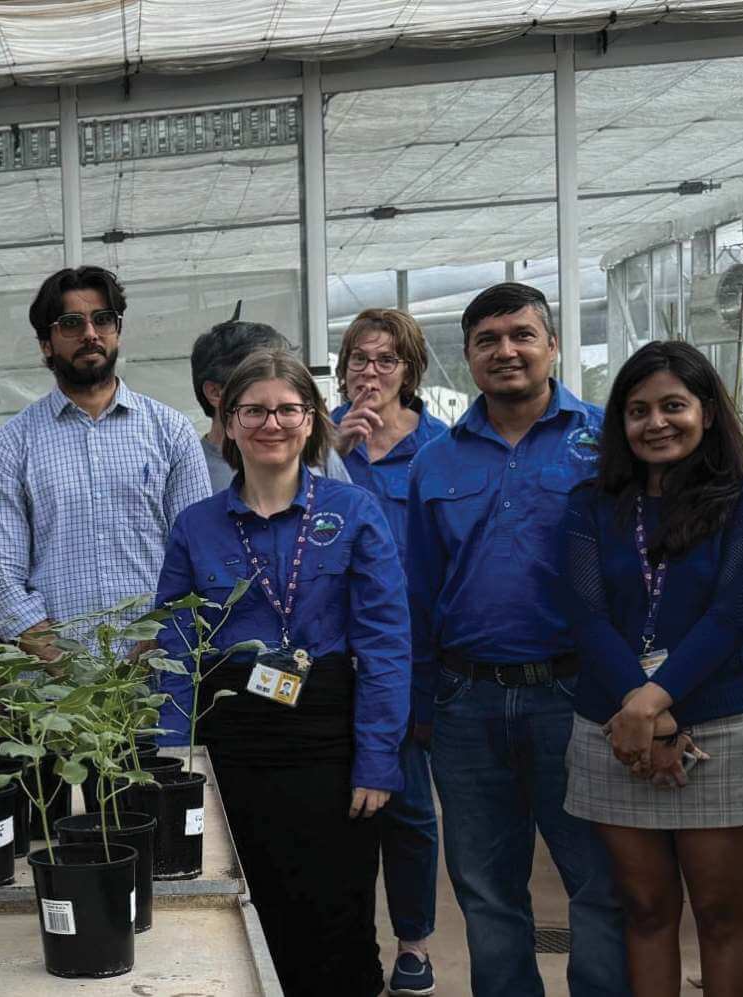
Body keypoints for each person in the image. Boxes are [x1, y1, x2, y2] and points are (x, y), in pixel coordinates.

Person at [155, 349, 407, 997]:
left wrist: (377, 760)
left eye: (288, 409)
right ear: (228, 422)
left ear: (312, 419)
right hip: (231, 743)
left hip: (329, 740)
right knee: (244, 913)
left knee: (337, 914)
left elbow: (385, 642)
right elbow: (176, 647)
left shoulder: (354, 513)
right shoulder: (196, 526)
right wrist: (175, 760)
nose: (273, 423)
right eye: (255, 410)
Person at [406, 282, 627, 997]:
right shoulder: (435, 462)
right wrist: (421, 706)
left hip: (580, 696)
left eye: (522, 335)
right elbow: (417, 593)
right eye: (487, 340)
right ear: (467, 356)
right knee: (486, 888)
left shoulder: (606, 442)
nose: (506, 351)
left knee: (599, 880)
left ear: (553, 344)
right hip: (466, 701)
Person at [563, 341, 743, 997]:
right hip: (614, 731)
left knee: (720, 916)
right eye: (638, 410)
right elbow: (586, 615)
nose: (656, 422)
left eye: (673, 405)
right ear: (620, 424)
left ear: (708, 412)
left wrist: (649, 703)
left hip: (718, 724)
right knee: (647, 910)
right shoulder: (591, 503)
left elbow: (736, 611)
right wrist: (640, 712)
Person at [0, 266, 211, 744]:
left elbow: (197, 559)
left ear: (118, 330)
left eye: (102, 320)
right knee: (54, 817)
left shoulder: (170, 432)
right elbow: (1, 578)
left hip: (158, 685)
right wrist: (69, 672)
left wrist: (150, 649)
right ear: (46, 343)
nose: (90, 334)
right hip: (50, 699)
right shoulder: (12, 445)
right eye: (70, 324)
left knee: (157, 813)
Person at [329, 308, 449, 996]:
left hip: (411, 656)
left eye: (385, 361)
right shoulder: (321, 440)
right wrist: (335, 451)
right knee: (340, 807)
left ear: (409, 370)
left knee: (405, 804)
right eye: (358, 360)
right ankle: (349, 940)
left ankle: (415, 943)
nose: (369, 373)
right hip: (331, 656)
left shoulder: (439, 448)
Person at [189, 318, 352, 492]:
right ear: (215, 392)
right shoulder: (191, 470)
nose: (273, 424)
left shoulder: (318, 454)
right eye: (255, 375)